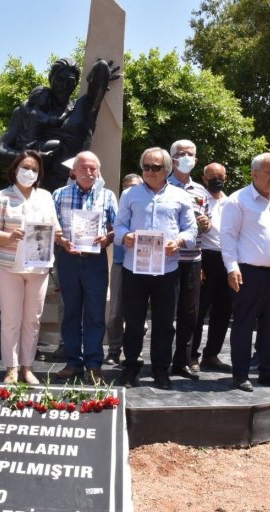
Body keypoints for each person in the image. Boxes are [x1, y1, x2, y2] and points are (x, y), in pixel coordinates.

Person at [113, 147, 198, 390]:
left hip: (167, 268)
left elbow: (191, 230)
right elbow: (118, 226)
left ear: (167, 170)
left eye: (155, 167)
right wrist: (125, 236)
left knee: (163, 323)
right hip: (134, 268)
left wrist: (179, 242)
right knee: (134, 322)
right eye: (146, 167)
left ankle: (161, 370)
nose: (150, 171)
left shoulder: (181, 196)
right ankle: (130, 367)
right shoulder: (130, 194)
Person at [221, 152, 270, 392]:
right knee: (244, 325)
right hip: (249, 273)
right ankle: (241, 374)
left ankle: (268, 372)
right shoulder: (238, 200)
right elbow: (228, 236)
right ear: (254, 173)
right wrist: (231, 268)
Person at [0, 150, 62, 385]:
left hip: (38, 267)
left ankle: (28, 367)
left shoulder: (46, 197)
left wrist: (65, 236)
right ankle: (11, 367)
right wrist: (7, 236)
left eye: (34, 169)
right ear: (15, 168)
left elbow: (55, 227)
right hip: (8, 266)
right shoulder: (2, 196)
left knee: (32, 320)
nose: (29, 172)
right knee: (11, 318)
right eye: (25, 167)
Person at [0, 58, 117, 192]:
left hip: (71, 189)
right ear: (50, 79)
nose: (64, 85)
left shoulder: (82, 108)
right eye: (59, 79)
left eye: (70, 81)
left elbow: (101, 67)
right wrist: (30, 158)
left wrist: (92, 77)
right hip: (33, 188)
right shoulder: (29, 111)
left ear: (76, 83)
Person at [52, 151, 118, 384]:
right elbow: (51, 228)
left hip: (95, 260)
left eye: (93, 169)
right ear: (74, 171)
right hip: (68, 259)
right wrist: (62, 241)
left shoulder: (108, 196)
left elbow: (116, 228)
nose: (89, 172)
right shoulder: (59, 194)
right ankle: (73, 361)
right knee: (70, 312)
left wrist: (107, 238)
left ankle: (94, 364)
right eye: (84, 168)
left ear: (98, 171)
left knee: (95, 313)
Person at [167, 140, 211, 380]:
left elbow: (207, 222)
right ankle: (161, 360)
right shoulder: (164, 186)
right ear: (172, 159)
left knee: (190, 314)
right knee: (165, 314)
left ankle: (182, 361)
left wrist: (206, 223)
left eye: (190, 154)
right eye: (181, 154)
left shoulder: (201, 191)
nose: (186, 157)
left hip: (193, 260)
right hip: (169, 259)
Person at [191, 162, 233, 373]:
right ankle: (192, 356)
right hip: (205, 258)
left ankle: (212, 354)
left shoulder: (231, 202)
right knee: (199, 311)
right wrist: (198, 264)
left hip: (227, 259)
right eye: (212, 176)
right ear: (204, 178)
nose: (217, 179)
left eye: (221, 176)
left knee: (223, 312)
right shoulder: (198, 199)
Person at [105, 173, 142, 366]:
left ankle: (134, 351)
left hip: (142, 264)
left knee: (139, 315)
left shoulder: (144, 206)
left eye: (134, 186)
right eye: (126, 186)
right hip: (120, 264)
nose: (130, 189)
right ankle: (113, 350)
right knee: (115, 312)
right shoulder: (117, 207)